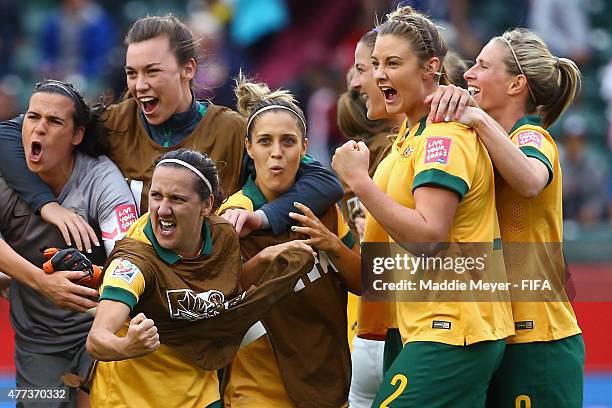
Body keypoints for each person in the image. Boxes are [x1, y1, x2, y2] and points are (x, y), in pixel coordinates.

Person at [0, 14, 344, 251]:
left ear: (188, 69)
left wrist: (261, 218)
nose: (139, 85)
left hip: (209, 300)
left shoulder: (232, 130)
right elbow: (7, 136)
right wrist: (49, 207)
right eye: (131, 73)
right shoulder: (112, 123)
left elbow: (323, 182)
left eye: (152, 71)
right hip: (133, 298)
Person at [332, 7, 514, 407]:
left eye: (392, 63)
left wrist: (360, 182)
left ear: (431, 68)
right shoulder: (409, 134)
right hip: (422, 324)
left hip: (455, 326)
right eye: (375, 64)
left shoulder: (443, 136)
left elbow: (430, 235)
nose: (378, 75)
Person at [426, 27, 584, 408]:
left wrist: (476, 118)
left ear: (516, 84)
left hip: (539, 338)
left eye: (482, 65)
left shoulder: (531, 137)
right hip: (498, 332)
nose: (469, 74)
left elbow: (530, 180)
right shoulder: (483, 142)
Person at [87, 148, 315, 408]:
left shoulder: (221, 235)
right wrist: (127, 345)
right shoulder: (133, 264)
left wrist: (265, 258)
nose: (162, 210)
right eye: (156, 196)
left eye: (177, 199)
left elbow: (225, 287)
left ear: (206, 205)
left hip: (199, 393)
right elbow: (97, 339)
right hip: (133, 397)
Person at [220, 76, 360, 408]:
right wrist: (268, 258)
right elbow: (219, 301)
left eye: (288, 141)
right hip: (256, 387)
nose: (277, 154)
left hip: (327, 377)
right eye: (265, 142)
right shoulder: (234, 217)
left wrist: (332, 244)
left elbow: (363, 282)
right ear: (249, 148)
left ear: (305, 148)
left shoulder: (324, 208)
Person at [0, 79, 137, 407]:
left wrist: (96, 280)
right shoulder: (6, 181)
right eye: (33, 118)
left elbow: (131, 260)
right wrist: (38, 280)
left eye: (55, 121)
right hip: (39, 343)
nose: (40, 129)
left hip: (104, 328)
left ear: (77, 135)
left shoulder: (104, 183)